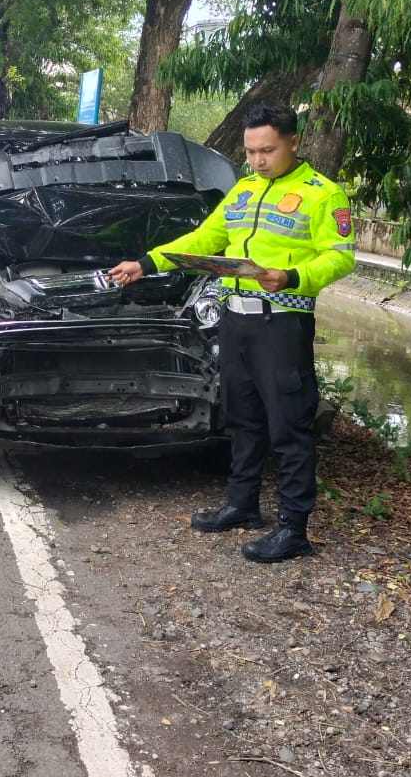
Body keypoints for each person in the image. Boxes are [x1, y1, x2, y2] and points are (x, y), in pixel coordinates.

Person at [109, 103, 356, 563]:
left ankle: (294, 528)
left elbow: (340, 256)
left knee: (289, 425)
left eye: (268, 150)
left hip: (281, 322)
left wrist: (292, 276)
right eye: (251, 151)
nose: (258, 160)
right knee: (242, 417)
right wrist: (146, 263)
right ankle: (243, 505)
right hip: (236, 320)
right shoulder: (243, 190)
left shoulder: (323, 194)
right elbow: (204, 239)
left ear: (294, 142)